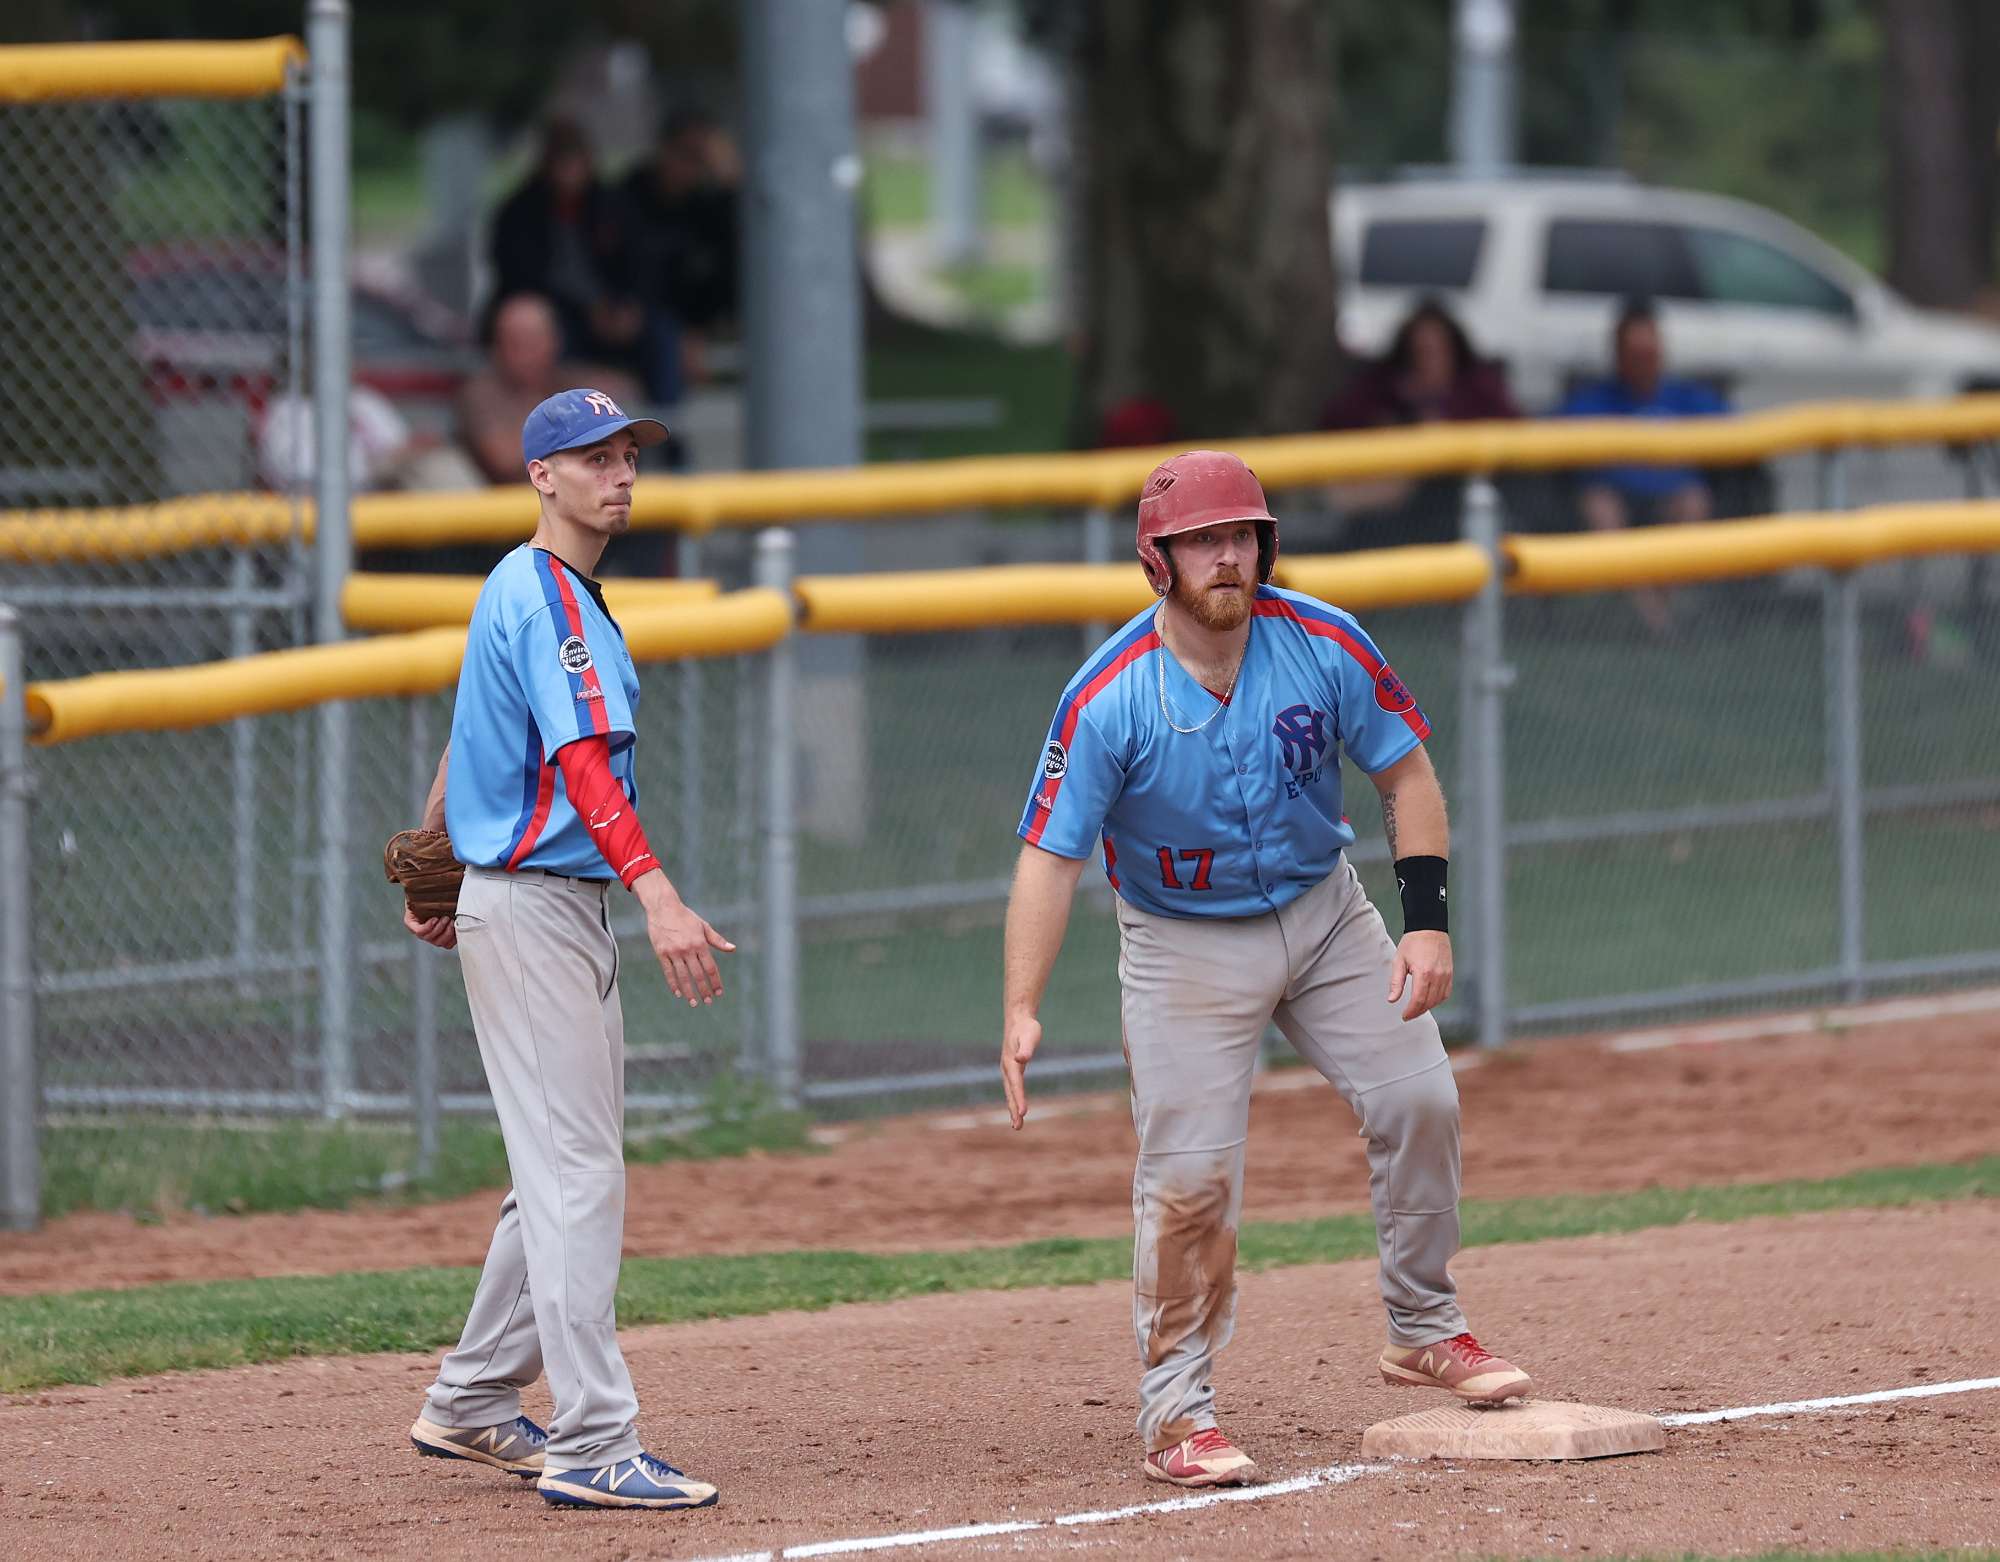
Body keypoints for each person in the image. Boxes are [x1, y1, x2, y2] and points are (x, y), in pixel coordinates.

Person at [999, 450, 1531, 1490]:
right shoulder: (1108, 694)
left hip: (1323, 912)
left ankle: (1424, 1326)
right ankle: (1176, 1414)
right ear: (1157, 560)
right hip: (1182, 943)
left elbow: (1406, 773)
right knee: (1190, 1175)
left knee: (1420, 1096)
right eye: (1202, 541)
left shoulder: (1322, 641)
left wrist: (1425, 924)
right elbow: (1048, 857)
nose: (1226, 556)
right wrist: (1021, 1004)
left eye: (1240, 535)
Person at [403, 386, 733, 1512]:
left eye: (628, 454)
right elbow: (583, 765)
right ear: (541, 474)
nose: (620, 474)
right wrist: (660, 896)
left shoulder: (525, 584)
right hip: (538, 908)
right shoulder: (546, 594)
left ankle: (471, 1396)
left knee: (554, 1167)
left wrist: (437, 854)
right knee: (575, 1175)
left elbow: (472, 732)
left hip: (531, 904)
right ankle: (595, 1441)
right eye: (594, 457)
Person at [1556, 299, 1729, 631]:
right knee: (1600, 505)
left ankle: (1659, 608)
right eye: (1635, 354)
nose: (1644, 362)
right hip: (1618, 499)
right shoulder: (1595, 399)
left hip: (1669, 499)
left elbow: (1736, 428)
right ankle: (1655, 618)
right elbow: (1550, 432)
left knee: (1693, 500)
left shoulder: (1684, 396)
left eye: (1650, 353)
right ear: (1618, 356)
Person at [488, 118, 681, 404]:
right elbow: (520, 277)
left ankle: (667, 418)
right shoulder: (521, 212)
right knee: (547, 337)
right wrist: (586, 309)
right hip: (560, 314)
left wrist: (629, 305)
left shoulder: (612, 205)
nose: (569, 171)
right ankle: (567, 417)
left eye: (574, 160)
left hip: (614, 309)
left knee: (661, 333)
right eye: (562, 161)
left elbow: (641, 263)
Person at [1320, 298, 1520, 547]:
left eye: (1437, 351)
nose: (1428, 362)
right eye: (1420, 353)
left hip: (1457, 499)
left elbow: (1514, 430)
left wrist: (1446, 428)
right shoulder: (1384, 386)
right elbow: (1338, 418)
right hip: (1389, 508)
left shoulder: (1475, 387)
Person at [458, 293, 641, 486]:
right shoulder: (479, 393)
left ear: (555, 341)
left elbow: (625, 393)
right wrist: (578, 420)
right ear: (497, 347)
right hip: (507, 499)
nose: (526, 352)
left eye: (534, 339)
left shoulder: (568, 380)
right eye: (515, 342)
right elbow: (506, 461)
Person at [620, 108, 740, 387]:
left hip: (701, 324)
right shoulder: (631, 197)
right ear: (664, 151)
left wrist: (731, 181)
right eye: (687, 154)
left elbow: (731, 265)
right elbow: (641, 275)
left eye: (701, 158)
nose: (694, 167)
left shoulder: (710, 204)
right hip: (646, 322)